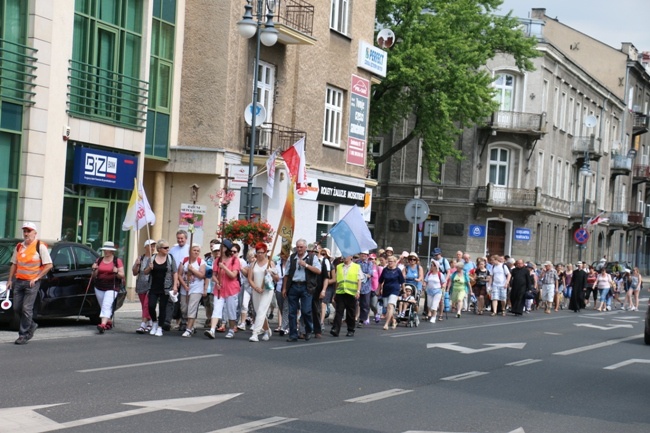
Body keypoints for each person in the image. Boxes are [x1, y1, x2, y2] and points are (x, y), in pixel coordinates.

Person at [7, 222, 53, 345]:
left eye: (29, 231)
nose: (26, 234)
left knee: (26, 308)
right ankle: (31, 324)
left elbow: (49, 265)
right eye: (25, 231)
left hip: (32, 283)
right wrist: (10, 280)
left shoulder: (40, 246)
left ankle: (23, 334)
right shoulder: (19, 247)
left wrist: (37, 278)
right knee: (17, 307)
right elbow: (14, 264)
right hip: (19, 281)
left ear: (34, 233)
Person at [282, 239, 321, 342]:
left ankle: (308, 330)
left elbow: (318, 271)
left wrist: (306, 265)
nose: (299, 249)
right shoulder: (292, 257)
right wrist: (284, 288)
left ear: (305, 248)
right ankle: (293, 335)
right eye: (298, 247)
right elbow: (286, 274)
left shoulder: (312, 257)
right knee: (292, 312)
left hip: (306, 286)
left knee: (306, 310)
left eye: (301, 247)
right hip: (294, 286)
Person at [91, 241, 125, 334]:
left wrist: (116, 271)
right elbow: (94, 276)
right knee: (104, 306)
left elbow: (122, 275)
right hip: (99, 286)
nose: (106, 251)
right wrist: (94, 269)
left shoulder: (117, 261)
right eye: (105, 250)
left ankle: (102, 325)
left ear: (112, 251)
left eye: (108, 250)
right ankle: (108, 321)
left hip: (112, 286)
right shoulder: (99, 260)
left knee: (106, 304)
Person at [146, 240, 178, 336]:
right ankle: (154, 323)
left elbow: (174, 272)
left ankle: (160, 327)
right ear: (159, 249)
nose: (167, 249)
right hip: (153, 286)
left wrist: (175, 285)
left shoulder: (170, 258)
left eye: (168, 247)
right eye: (165, 248)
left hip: (166, 287)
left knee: (163, 307)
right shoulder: (152, 258)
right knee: (151, 306)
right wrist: (149, 268)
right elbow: (145, 272)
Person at [248, 243, 278, 342]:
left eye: (262, 252)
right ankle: (266, 330)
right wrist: (256, 288)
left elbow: (277, 279)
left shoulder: (270, 263)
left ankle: (255, 333)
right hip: (256, 290)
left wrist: (271, 272)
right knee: (259, 312)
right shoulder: (253, 264)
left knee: (261, 310)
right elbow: (250, 279)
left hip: (267, 290)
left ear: (265, 253)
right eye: (258, 252)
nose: (260, 254)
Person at [212, 239, 242, 339]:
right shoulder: (217, 260)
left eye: (223, 247)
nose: (220, 249)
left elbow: (233, 275)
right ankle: (212, 330)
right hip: (220, 289)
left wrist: (224, 267)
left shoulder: (234, 260)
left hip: (231, 289)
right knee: (217, 308)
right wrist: (217, 282)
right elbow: (214, 275)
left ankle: (231, 329)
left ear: (227, 248)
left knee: (231, 310)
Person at [330, 254, 363, 337]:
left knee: (350, 313)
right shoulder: (339, 266)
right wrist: (335, 293)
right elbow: (337, 281)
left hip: (351, 293)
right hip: (341, 292)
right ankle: (335, 329)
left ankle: (351, 329)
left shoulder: (356, 266)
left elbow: (359, 280)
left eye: (346, 256)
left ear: (351, 257)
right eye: (343, 256)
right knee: (339, 311)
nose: (344, 258)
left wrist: (358, 291)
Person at [178, 243, 206, 337]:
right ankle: (191, 325)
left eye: (198, 251)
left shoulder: (201, 262)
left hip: (196, 288)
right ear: (190, 251)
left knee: (192, 308)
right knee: (184, 309)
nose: (196, 252)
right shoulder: (184, 260)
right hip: (185, 288)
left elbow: (202, 275)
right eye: (194, 250)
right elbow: (179, 274)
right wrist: (184, 285)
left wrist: (193, 270)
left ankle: (188, 329)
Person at [167, 230, 189, 331]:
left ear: (186, 239)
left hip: (185, 279)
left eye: (182, 238)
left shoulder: (190, 249)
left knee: (184, 302)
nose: (180, 240)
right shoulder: (172, 250)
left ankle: (184, 322)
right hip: (173, 278)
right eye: (178, 238)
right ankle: (170, 321)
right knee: (172, 301)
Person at [132, 239, 156, 334]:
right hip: (141, 284)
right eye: (151, 246)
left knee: (147, 304)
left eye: (154, 246)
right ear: (145, 247)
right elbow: (134, 272)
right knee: (144, 306)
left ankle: (143, 324)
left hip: (151, 284)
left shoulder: (155, 258)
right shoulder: (141, 258)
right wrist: (137, 265)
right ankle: (150, 322)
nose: (153, 248)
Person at [378, 255, 404, 330]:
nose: (389, 263)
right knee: (387, 307)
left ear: (395, 262)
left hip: (395, 290)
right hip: (386, 289)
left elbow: (402, 281)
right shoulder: (385, 270)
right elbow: (380, 281)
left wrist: (404, 291)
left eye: (391, 261)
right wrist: (379, 289)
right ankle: (394, 320)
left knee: (390, 305)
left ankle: (386, 324)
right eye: (388, 261)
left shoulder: (398, 270)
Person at [357, 250, 374, 327]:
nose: (363, 255)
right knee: (355, 303)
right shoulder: (357, 262)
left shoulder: (369, 263)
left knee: (365, 304)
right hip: (357, 286)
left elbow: (370, 274)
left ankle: (362, 319)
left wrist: (362, 275)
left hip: (366, 287)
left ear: (367, 256)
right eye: (362, 254)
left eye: (365, 254)